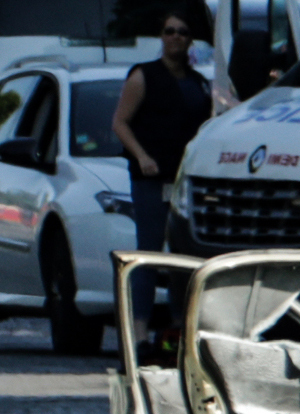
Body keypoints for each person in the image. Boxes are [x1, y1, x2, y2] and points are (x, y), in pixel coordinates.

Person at [112, 11, 210, 357]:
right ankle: (138, 337)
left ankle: (178, 333)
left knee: (183, 259)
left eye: (182, 32)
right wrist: (141, 156)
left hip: (183, 182)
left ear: (190, 40)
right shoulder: (143, 76)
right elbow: (120, 122)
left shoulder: (199, 83)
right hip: (151, 180)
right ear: (161, 36)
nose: (175, 37)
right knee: (148, 256)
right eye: (169, 31)